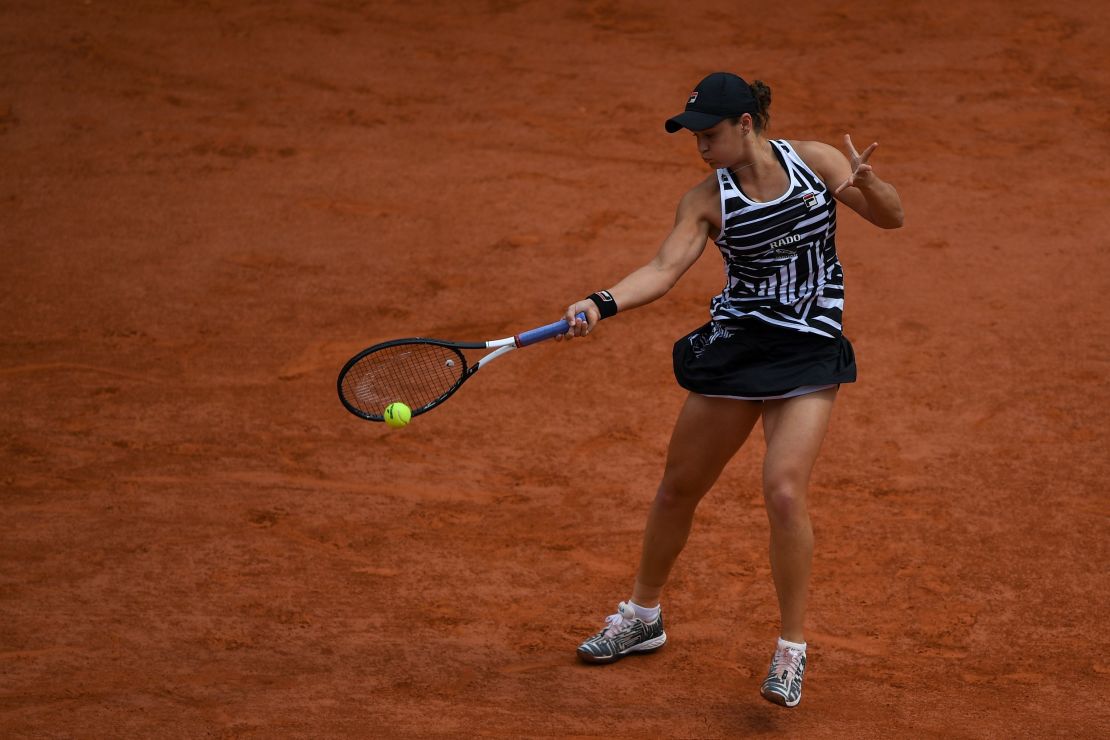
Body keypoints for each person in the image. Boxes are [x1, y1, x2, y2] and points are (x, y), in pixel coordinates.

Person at [558, 71, 904, 708]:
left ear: (746, 124)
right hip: (739, 348)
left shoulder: (820, 162)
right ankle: (642, 616)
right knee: (677, 487)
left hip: (809, 348)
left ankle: (790, 651)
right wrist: (600, 303)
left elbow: (891, 220)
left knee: (783, 491)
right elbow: (663, 270)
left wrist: (870, 184)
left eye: (709, 134)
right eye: (694, 136)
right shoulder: (706, 200)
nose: (701, 147)